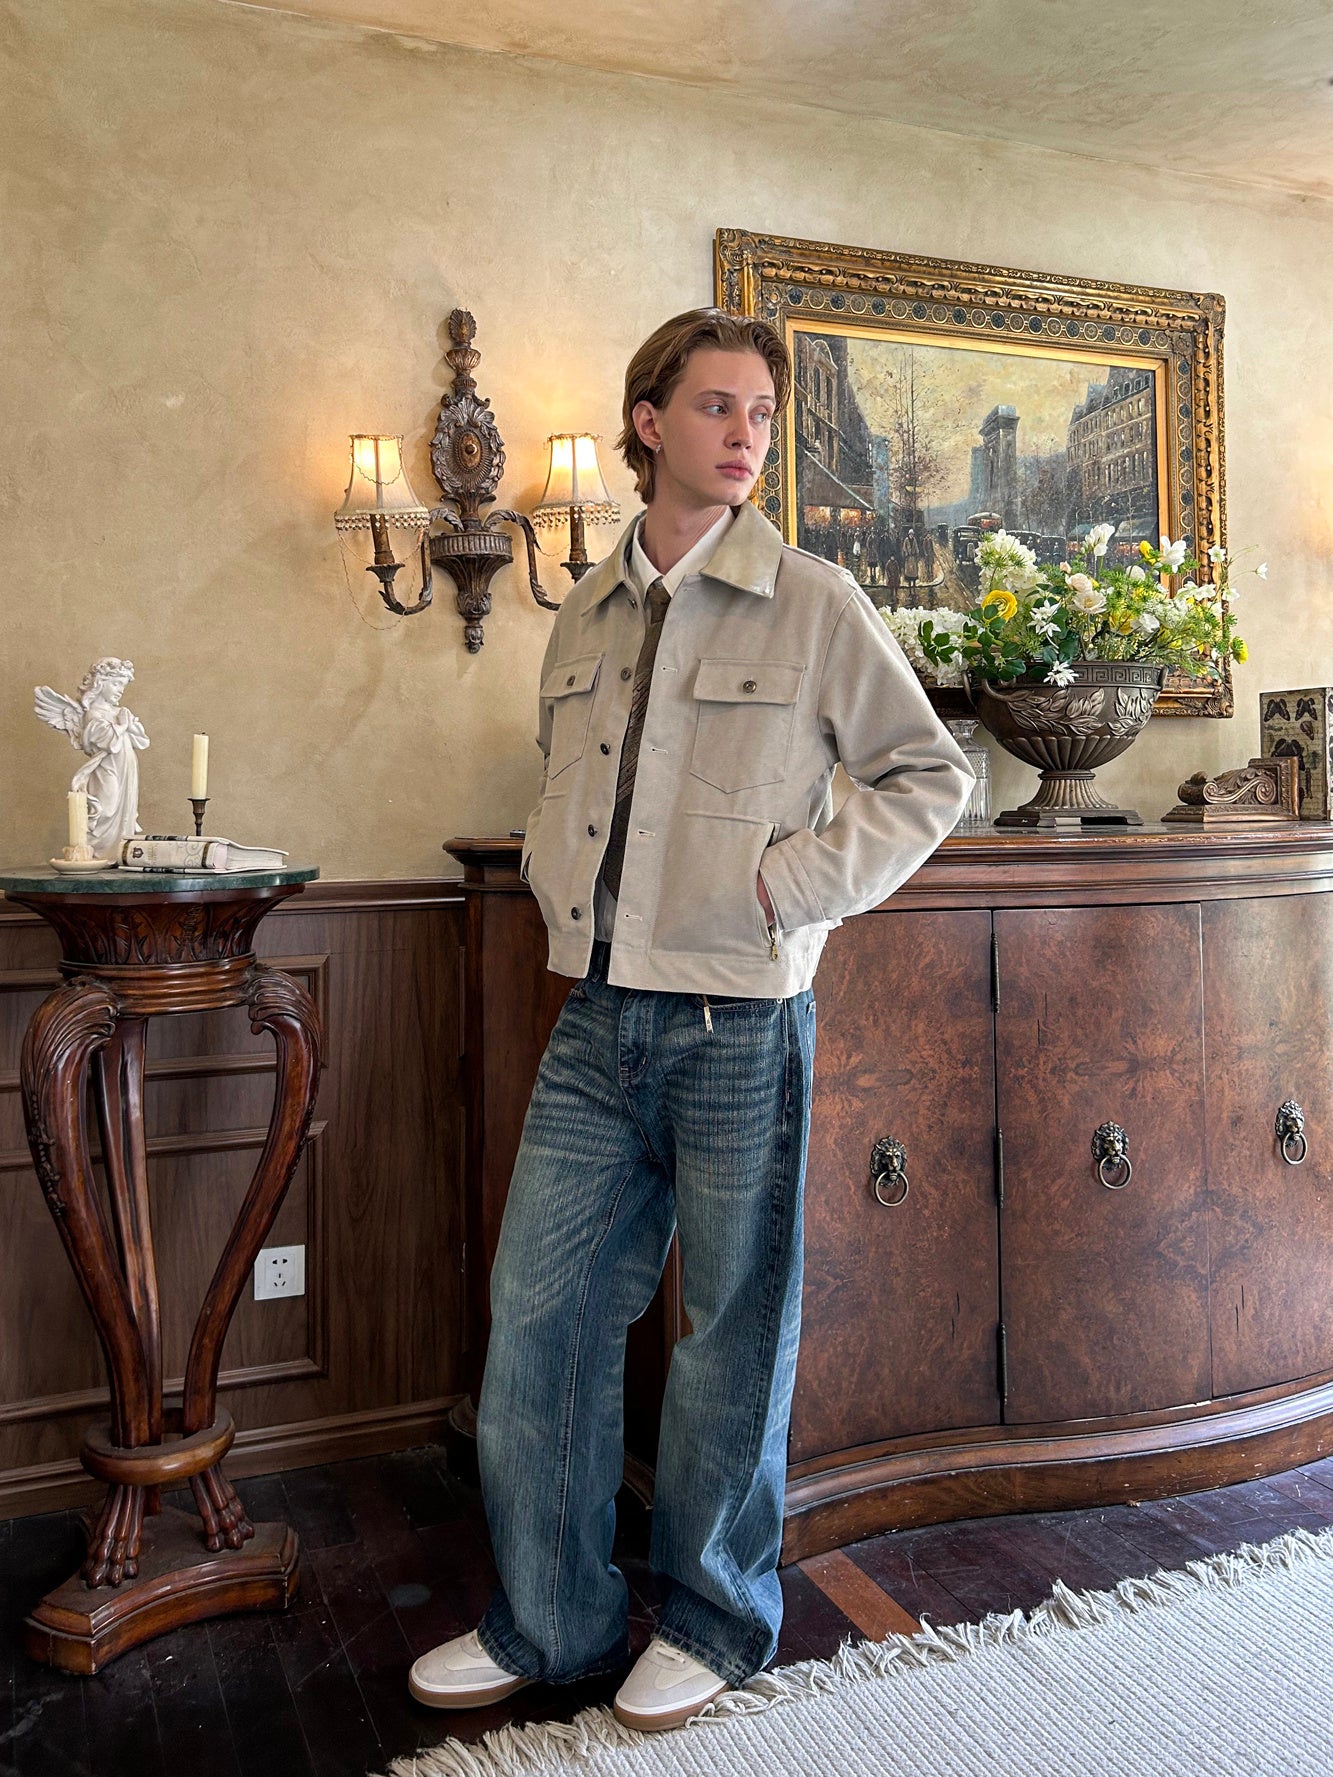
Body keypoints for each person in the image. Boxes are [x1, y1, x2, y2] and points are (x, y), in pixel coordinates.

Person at [408, 309, 973, 1732]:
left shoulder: (814, 602)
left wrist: (791, 886)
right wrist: (556, 881)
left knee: (732, 1330)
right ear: (649, 422)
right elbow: (571, 780)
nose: (746, 435)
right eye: (718, 407)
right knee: (540, 1316)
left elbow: (927, 777)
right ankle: (550, 1621)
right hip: (597, 1015)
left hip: (741, 1027)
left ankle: (717, 1622)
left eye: (762, 414)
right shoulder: (586, 611)